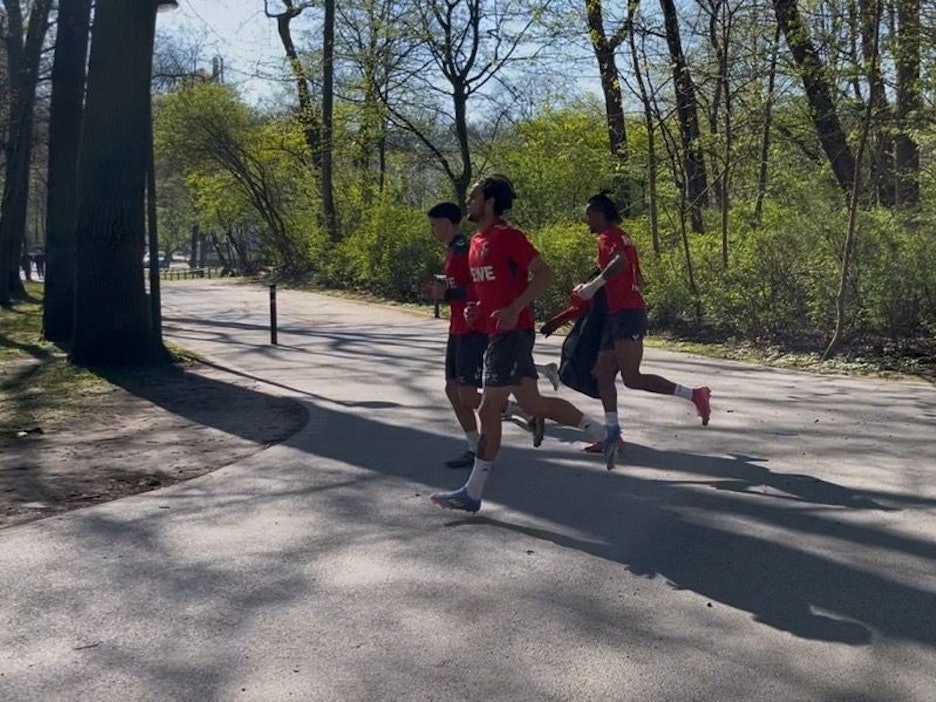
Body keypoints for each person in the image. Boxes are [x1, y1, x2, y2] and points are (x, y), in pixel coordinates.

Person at [430, 175, 609, 513]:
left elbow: (544, 273)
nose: (468, 202)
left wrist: (515, 308)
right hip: (498, 332)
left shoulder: (508, 237)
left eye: (474, 197)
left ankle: (473, 491)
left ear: (490, 202)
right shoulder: (476, 243)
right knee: (534, 404)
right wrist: (475, 311)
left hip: (514, 332)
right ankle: (604, 431)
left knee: (486, 408)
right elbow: (487, 293)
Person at [571, 191, 711, 469]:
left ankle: (695, 394)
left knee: (632, 378)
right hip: (616, 314)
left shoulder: (609, 236)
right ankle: (613, 434)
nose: (586, 219)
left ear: (599, 213)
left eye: (589, 214)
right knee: (602, 373)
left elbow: (621, 262)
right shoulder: (620, 236)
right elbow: (636, 274)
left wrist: (593, 287)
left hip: (627, 315)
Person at [421, 202, 488, 469]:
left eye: (434, 224)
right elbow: (455, 289)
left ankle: (522, 411)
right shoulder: (451, 250)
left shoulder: (465, 249)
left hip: (473, 328)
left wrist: (448, 294)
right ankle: (473, 447)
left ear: (447, 223)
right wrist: (441, 293)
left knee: (468, 394)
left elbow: (481, 287)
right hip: (457, 327)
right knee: (452, 389)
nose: (432, 230)